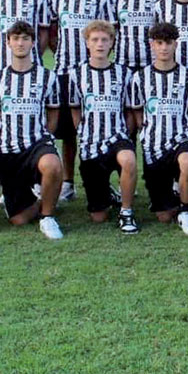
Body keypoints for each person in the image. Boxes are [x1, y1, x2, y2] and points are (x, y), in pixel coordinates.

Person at [48, 0, 115, 204]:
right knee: (67, 134)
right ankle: (67, 183)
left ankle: (103, 183)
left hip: (96, 76)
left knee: (99, 130)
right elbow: (51, 34)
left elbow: (110, 34)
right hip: (66, 73)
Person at [0, 21, 64, 240]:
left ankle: (47, 216)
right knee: (18, 220)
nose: (20, 43)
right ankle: (41, 198)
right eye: (16, 38)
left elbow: (53, 111)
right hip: (10, 150)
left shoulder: (47, 77)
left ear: (33, 42)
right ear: (8, 43)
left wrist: (46, 135)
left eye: (25, 38)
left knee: (53, 165)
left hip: (37, 143)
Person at [126, 22, 188, 236]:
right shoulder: (140, 77)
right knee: (164, 217)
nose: (164, 48)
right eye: (159, 43)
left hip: (181, 137)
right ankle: (171, 196)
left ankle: (187, 212)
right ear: (152, 45)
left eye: (168, 43)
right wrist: (148, 131)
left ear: (176, 44)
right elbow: (138, 113)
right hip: (154, 146)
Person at [68, 20, 139, 233]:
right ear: (87, 43)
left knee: (128, 159)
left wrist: (124, 133)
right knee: (98, 217)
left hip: (116, 136)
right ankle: (107, 194)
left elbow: (129, 110)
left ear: (112, 43)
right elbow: (75, 108)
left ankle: (126, 212)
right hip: (91, 142)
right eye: (95, 40)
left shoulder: (124, 73)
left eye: (105, 40)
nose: (100, 44)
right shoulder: (76, 74)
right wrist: (82, 130)